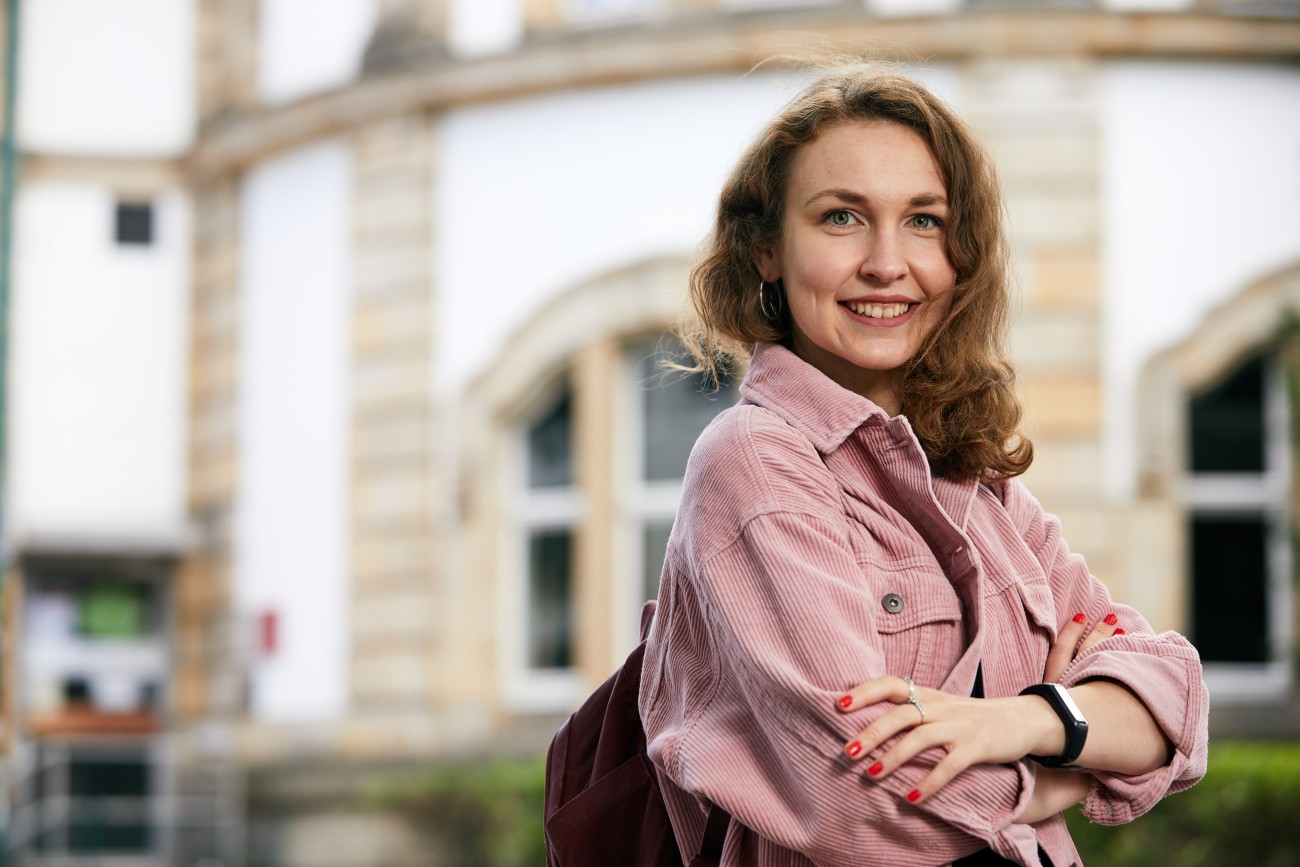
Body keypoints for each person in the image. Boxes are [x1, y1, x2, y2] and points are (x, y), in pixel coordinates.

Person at [637, 64, 1209, 867]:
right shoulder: (756, 463)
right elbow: (860, 797)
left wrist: (1021, 720)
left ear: (960, 253)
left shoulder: (978, 484)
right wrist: (1057, 775)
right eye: (841, 217)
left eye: (924, 221)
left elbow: (1177, 703)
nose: (886, 262)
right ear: (766, 248)